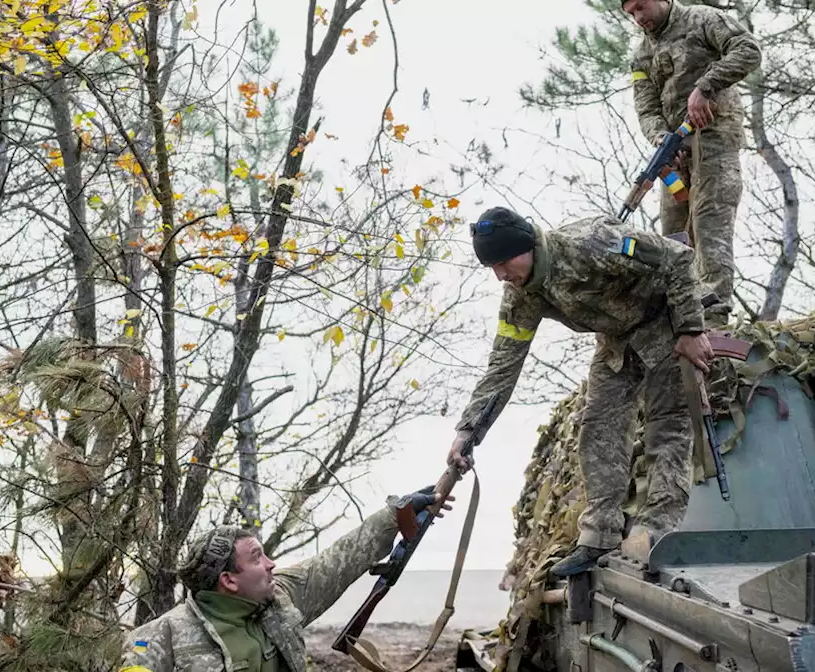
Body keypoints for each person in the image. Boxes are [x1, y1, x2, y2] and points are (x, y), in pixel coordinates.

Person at [447, 206, 713, 577]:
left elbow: (678, 258)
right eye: (492, 268)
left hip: (664, 325)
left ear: (527, 248)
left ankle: (657, 530)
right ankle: (599, 536)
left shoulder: (593, 244)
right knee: (597, 428)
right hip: (615, 343)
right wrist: (467, 431)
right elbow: (503, 367)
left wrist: (691, 330)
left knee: (667, 427)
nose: (500, 276)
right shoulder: (520, 296)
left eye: (504, 262)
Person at [116, 486, 451, 672]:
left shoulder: (279, 598)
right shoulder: (158, 640)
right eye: (257, 557)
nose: (271, 564)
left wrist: (396, 515)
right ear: (229, 580)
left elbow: (336, 561)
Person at [624, 0, 761, 329]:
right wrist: (660, 139)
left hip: (714, 141)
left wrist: (706, 86)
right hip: (674, 156)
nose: (638, 17)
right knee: (673, 239)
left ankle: (712, 320)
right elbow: (646, 108)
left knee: (709, 227)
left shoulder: (702, 18)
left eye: (641, 7)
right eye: (630, 13)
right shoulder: (641, 55)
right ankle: (679, 321)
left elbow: (748, 49)